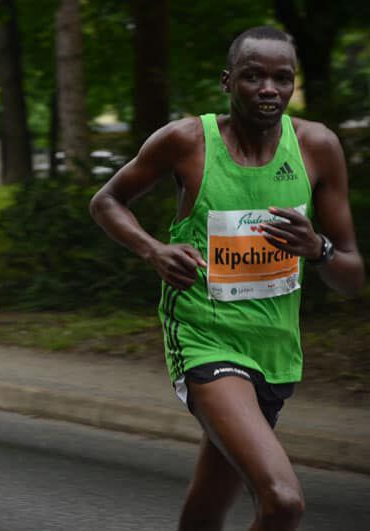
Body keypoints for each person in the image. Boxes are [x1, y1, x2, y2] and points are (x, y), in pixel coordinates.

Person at [89, 26, 364, 531]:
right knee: (283, 501)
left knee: (209, 505)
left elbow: (352, 277)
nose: (268, 89)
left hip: (276, 351)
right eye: (253, 76)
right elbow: (106, 201)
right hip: (204, 340)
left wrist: (318, 249)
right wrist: (153, 250)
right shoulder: (187, 142)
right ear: (227, 81)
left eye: (282, 78)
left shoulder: (317, 147)